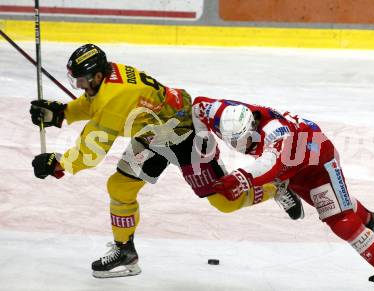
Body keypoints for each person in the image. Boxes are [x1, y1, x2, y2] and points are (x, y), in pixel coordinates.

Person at [29, 44, 304, 278]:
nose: (78, 85)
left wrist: (58, 164)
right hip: (154, 135)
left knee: (224, 201)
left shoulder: (114, 96)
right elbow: (95, 104)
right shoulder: (108, 80)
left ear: (98, 74)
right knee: (120, 186)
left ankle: (276, 188)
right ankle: (125, 250)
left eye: (81, 80)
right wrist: (63, 112)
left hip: (186, 136)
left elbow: (92, 149)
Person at [191, 96, 374, 291]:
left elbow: (270, 164)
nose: (242, 146)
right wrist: (205, 144)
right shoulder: (219, 112)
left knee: (337, 217)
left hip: (316, 156)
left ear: (252, 127)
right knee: (329, 201)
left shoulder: (274, 132)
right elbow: (197, 106)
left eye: (245, 140)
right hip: (291, 162)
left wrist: (239, 178)